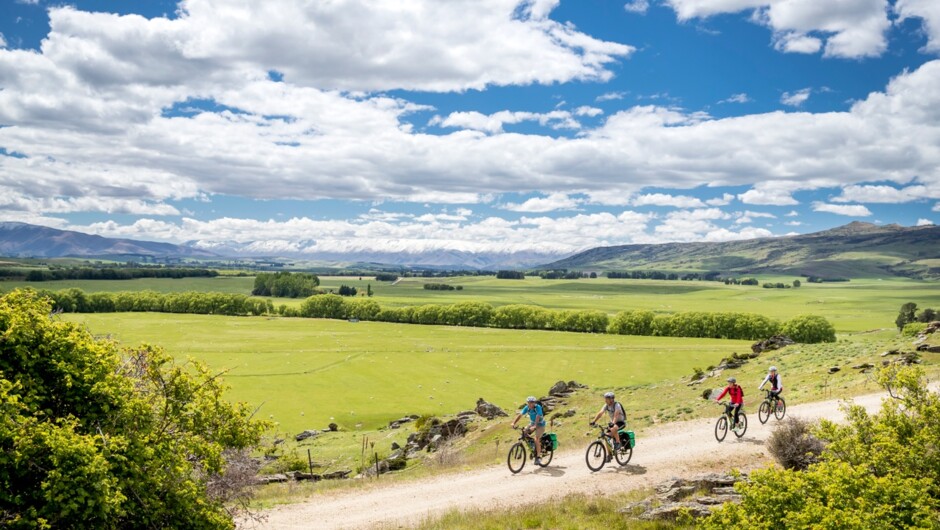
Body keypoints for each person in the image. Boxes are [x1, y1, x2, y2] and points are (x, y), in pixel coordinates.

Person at [591, 391, 627, 459]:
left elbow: (616, 415)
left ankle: (618, 442)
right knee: (606, 437)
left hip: (620, 422)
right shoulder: (606, 405)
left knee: (614, 428)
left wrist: (613, 423)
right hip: (613, 423)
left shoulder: (617, 405)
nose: (605, 400)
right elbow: (601, 413)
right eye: (605, 398)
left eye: (606, 399)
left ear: (611, 399)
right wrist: (594, 421)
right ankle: (609, 455)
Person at [511, 396, 545, 465]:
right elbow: (520, 415)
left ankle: (538, 457)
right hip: (532, 423)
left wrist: (535, 426)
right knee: (524, 433)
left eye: (532, 402)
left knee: (536, 439)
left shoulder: (538, 407)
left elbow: (538, 416)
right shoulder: (527, 408)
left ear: (534, 403)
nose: (530, 404)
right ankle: (533, 447)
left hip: (540, 424)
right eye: (529, 402)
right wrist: (513, 423)